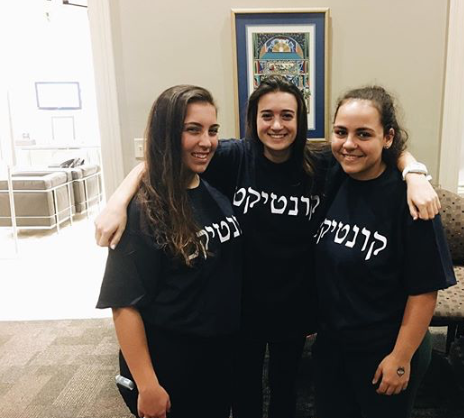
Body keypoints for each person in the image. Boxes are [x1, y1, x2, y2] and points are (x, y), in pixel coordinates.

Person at [94, 76, 441, 418]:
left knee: (285, 389)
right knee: (244, 389)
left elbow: (379, 144)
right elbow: (165, 157)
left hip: (295, 307)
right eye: (267, 115)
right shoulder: (233, 157)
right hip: (240, 310)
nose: (277, 125)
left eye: (287, 115)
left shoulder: (321, 163)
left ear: (300, 121)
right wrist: (118, 200)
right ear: (253, 119)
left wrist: (414, 172)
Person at [96, 85, 242, 418]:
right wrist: (147, 385)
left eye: (212, 130)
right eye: (193, 130)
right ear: (167, 133)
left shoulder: (210, 187)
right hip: (171, 365)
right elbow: (124, 305)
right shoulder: (143, 211)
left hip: (217, 357)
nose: (206, 141)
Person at [312, 85, 456, 418]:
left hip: (385, 350)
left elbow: (424, 292)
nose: (349, 144)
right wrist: (413, 167)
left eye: (363, 134)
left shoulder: (412, 202)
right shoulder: (334, 175)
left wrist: (400, 358)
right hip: (332, 345)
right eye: (341, 132)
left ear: (388, 137)